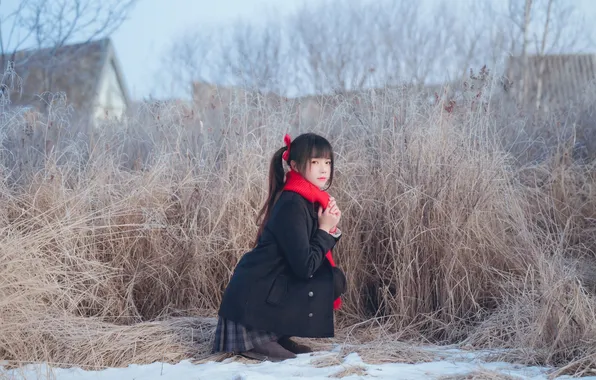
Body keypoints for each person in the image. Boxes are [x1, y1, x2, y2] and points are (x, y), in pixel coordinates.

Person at [212, 132, 347, 362]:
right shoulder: (293, 203)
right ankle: (257, 339)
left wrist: (328, 228)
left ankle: (276, 334)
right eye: (315, 162)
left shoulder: (306, 199)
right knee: (328, 279)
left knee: (332, 278)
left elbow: (307, 259)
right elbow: (305, 267)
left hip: (265, 287)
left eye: (327, 162)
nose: (324, 169)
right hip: (250, 301)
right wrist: (325, 230)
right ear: (294, 165)